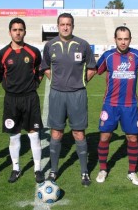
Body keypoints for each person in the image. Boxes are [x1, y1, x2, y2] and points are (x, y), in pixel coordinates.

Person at [41, 13, 97, 186]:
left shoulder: (83, 45)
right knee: (56, 132)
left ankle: (84, 172)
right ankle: (54, 170)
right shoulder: (50, 45)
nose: (65, 27)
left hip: (77, 95)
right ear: (57, 26)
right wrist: (57, 82)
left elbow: (92, 68)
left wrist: (80, 82)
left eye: (68, 24)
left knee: (78, 132)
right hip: (57, 95)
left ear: (73, 26)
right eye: (62, 24)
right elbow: (45, 68)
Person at [95, 26, 138, 185]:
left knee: (132, 138)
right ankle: (103, 169)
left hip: (130, 105)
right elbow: (95, 70)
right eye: (120, 39)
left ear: (130, 39)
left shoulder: (137, 55)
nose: (123, 42)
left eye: (126, 39)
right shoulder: (108, 56)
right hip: (110, 104)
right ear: (115, 39)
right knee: (105, 136)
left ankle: (132, 172)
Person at [0, 18, 45, 184]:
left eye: (20, 29)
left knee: (34, 135)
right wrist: (9, 87)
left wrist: (35, 84)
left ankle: (37, 168)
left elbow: (40, 71)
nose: (17, 32)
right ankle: (16, 168)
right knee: (14, 136)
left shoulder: (33, 52)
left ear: (25, 31)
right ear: (10, 32)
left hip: (30, 98)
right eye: (14, 29)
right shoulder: (3, 54)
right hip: (11, 100)